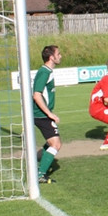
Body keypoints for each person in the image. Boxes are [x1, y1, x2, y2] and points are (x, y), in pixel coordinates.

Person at [33, 45, 63, 184]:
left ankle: (40, 169)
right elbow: (36, 95)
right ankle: (40, 174)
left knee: (51, 142)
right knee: (56, 144)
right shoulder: (44, 72)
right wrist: (49, 114)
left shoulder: (47, 71)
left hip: (41, 114)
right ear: (51, 57)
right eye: (58, 54)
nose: (60, 56)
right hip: (41, 115)